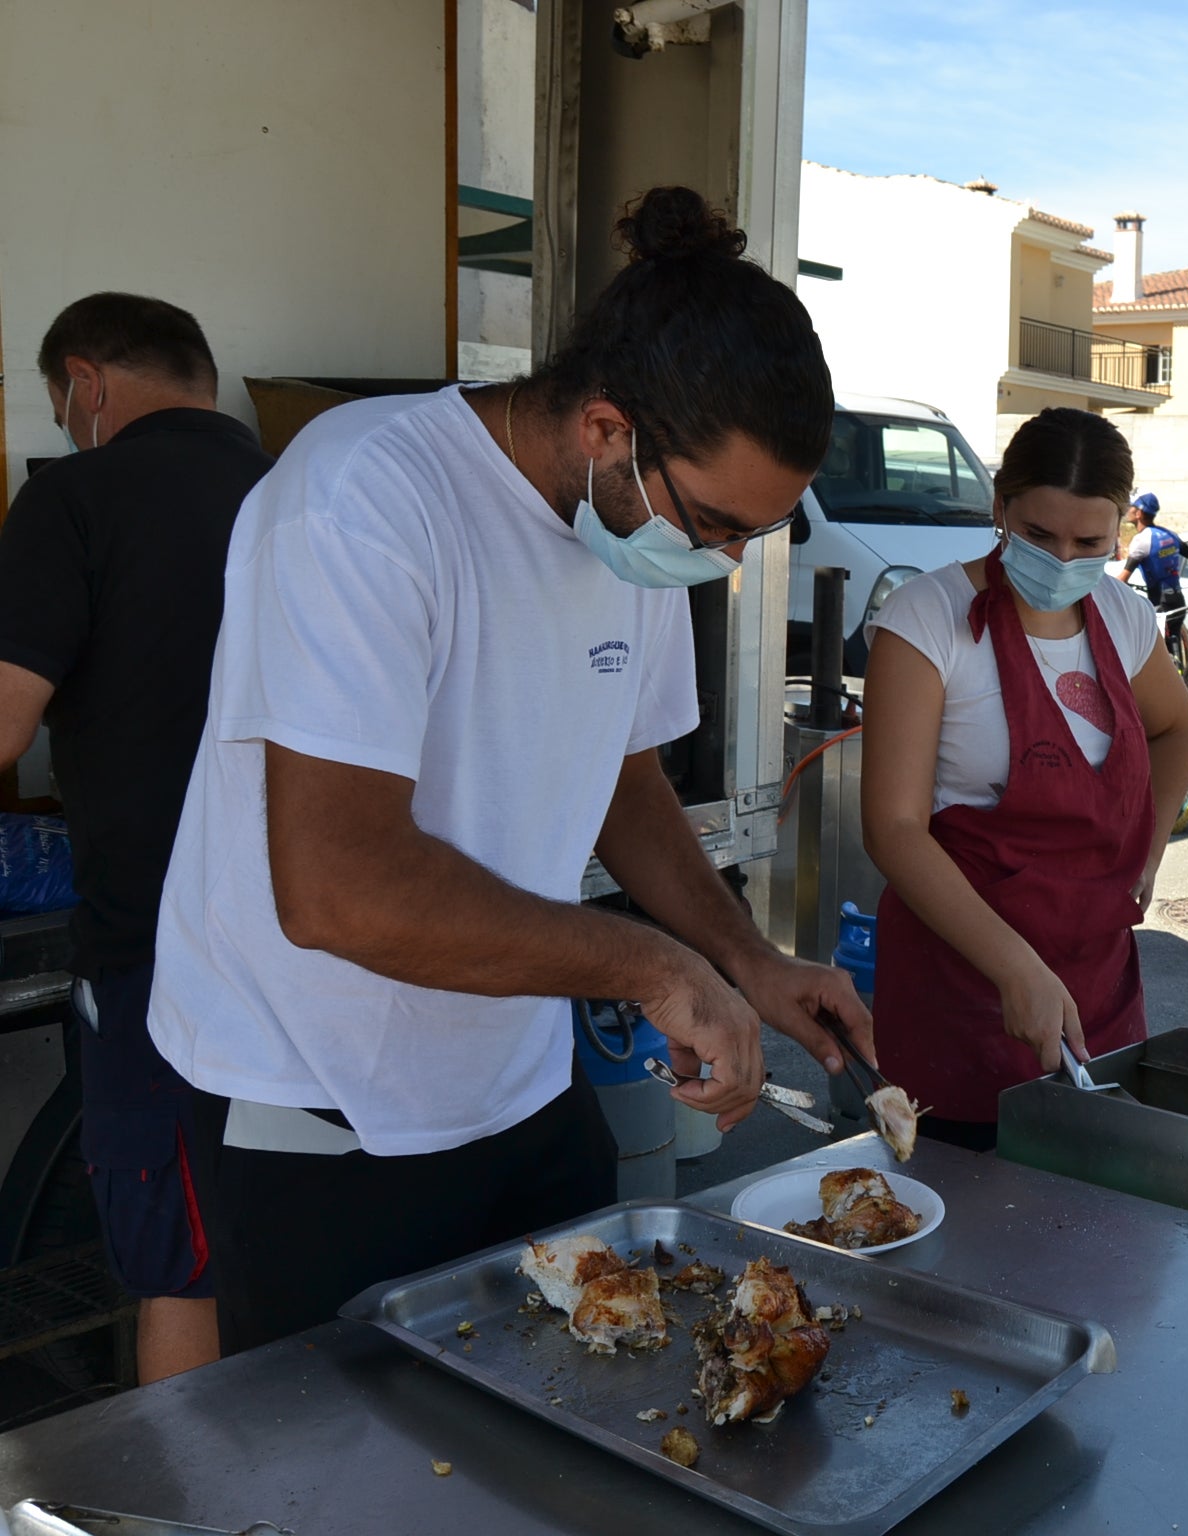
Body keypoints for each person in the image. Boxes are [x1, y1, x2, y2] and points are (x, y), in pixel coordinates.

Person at [147, 188, 872, 1355]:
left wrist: (744, 958)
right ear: (604, 429)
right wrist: (650, 964)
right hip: (325, 1104)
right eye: (718, 523)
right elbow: (338, 890)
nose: (728, 560)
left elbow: (620, 771)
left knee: (591, 1404)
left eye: (758, 535)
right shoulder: (364, 502)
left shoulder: (629, 536)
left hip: (517, 1081)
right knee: (361, 1475)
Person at [0, 294, 273, 1382]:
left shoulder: (73, 499)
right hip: (335, 934)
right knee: (299, 1232)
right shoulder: (292, 493)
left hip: (164, 949)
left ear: (87, 383)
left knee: (180, 1263)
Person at [860, 409, 1188, 1147]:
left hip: (1098, 982)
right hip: (959, 991)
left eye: (1090, 543)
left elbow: (1180, 730)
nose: (1063, 559)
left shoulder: (1121, 613)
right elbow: (892, 829)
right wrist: (1015, 967)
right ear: (999, 509)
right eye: (1039, 536)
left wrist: (1152, 841)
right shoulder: (926, 619)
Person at [1119, 491, 1188, 639]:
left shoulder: (1142, 540)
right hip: (1178, 601)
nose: (1128, 510)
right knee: (1172, 644)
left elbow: (1123, 579)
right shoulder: (1170, 535)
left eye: (1132, 506)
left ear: (1139, 513)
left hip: (1159, 604)